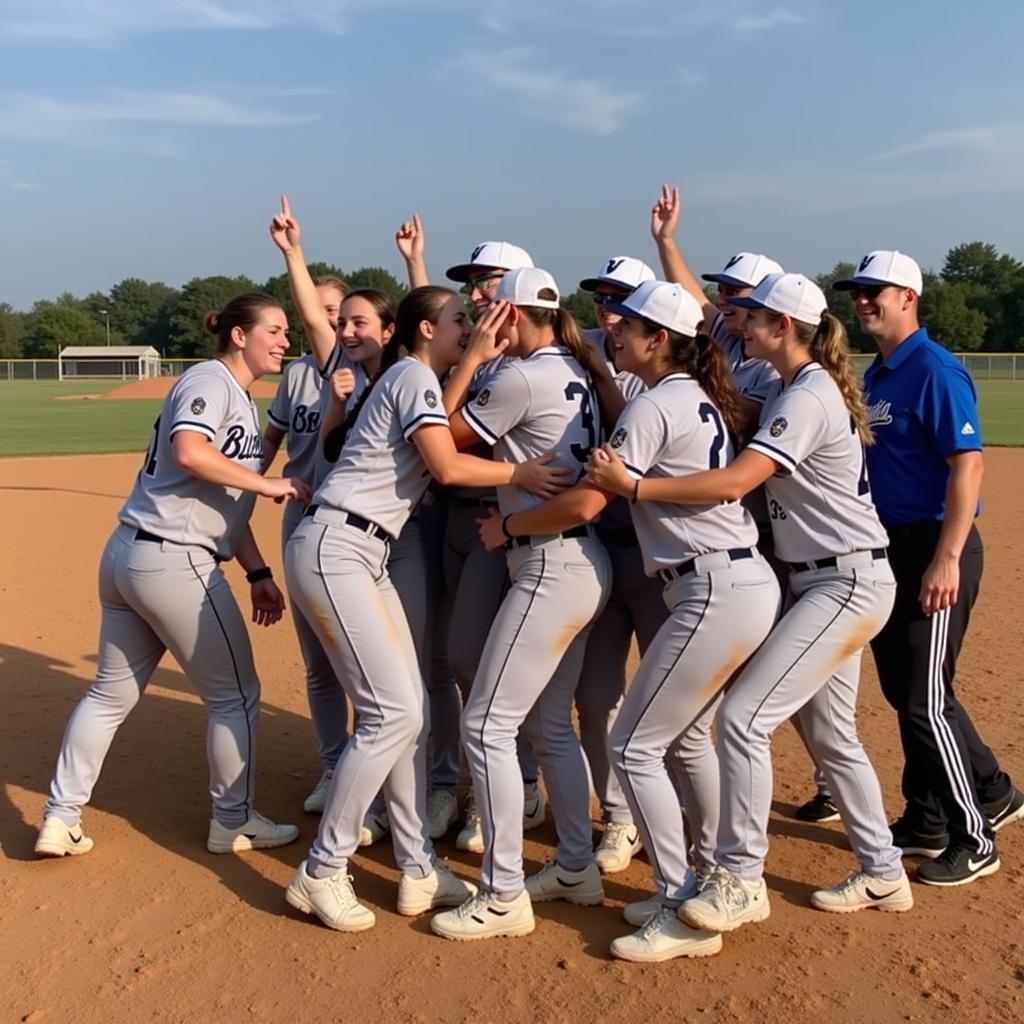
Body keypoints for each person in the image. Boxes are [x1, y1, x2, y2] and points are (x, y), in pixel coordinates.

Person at [592, 273, 914, 936]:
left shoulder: (810, 393)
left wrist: (635, 485)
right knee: (831, 735)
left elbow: (739, 481)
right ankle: (884, 870)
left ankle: (740, 878)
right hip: (829, 579)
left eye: (751, 314)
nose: (737, 321)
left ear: (783, 328)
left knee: (742, 720)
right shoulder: (799, 387)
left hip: (843, 582)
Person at [282, 285, 570, 931]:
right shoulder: (411, 373)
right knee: (392, 714)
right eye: (458, 319)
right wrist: (517, 475)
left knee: (405, 712)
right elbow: (445, 465)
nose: (469, 325)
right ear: (423, 328)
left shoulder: (414, 375)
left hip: (361, 550)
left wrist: (467, 362)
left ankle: (415, 868)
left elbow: (439, 414)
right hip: (339, 546)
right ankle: (322, 870)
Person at [35, 293, 310, 858]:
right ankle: (232, 820)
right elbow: (190, 451)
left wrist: (257, 569)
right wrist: (269, 484)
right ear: (240, 336)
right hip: (174, 561)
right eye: (275, 330)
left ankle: (60, 817)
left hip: (130, 556)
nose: (286, 341)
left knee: (109, 695)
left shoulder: (230, 392)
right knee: (237, 696)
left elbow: (222, 497)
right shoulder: (210, 381)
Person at [430, 268, 612, 941]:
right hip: (579, 560)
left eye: (489, 307)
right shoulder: (575, 367)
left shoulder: (520, 374)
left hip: (548, 564)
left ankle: (503, 892)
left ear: (511, 314)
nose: (480, 314)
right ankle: (574, 865)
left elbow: (440, 436)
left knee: (485, 727)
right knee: (550, 726)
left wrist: (474, 356)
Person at [649, 183, 836, 824]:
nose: (726, 304)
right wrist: (667, 242)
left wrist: (702, 390)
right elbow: (695, 308)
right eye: (725, 295)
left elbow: (745, 422)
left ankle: (824, 778)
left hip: (766, 534)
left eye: (739, 298)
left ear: (769, 312)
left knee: (774, 690)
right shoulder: (730, 341)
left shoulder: (765, 366)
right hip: (756, 537)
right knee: (748, 686)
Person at [837, 250, 1023, 885]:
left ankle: (977, 835)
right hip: (893, 546)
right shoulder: (881, 375)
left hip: (935, 547)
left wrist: (945, 557)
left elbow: (967, 464)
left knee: (925, 697)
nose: (863, 301)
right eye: (857, 292)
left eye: (875, 292)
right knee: (906, 691)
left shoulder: (934, 369)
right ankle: (930, 817)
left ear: (908, 297)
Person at [440, 239, 547, 851]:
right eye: (475, 284)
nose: (480, 293)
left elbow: (445, 436)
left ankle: (516, 787)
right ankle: (495, 780)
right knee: (465, 657)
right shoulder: (480, 353)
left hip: (519, 526)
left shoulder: (527, 363)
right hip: (473, 522)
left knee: (496, 666)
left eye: (491, 282)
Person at [571, 256, 670, 875]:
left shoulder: (656, 377)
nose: (608, 311)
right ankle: (621, 818)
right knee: (595, 694)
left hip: (660, 560)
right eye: (602, 300)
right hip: (604, 553)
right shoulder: (581, 357)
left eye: (621, 301)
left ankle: (678, 822)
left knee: (673, 705)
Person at [262, 275, 352, 815]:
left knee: (363, 663)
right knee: (318, 664)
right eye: (320, 312)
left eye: (338, 311)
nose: (331, 321)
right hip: (299, 520)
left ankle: (385, 775)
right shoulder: (296, 377)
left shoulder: (368, 372)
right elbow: (270, 443)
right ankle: (333, 765)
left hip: (354, 527)